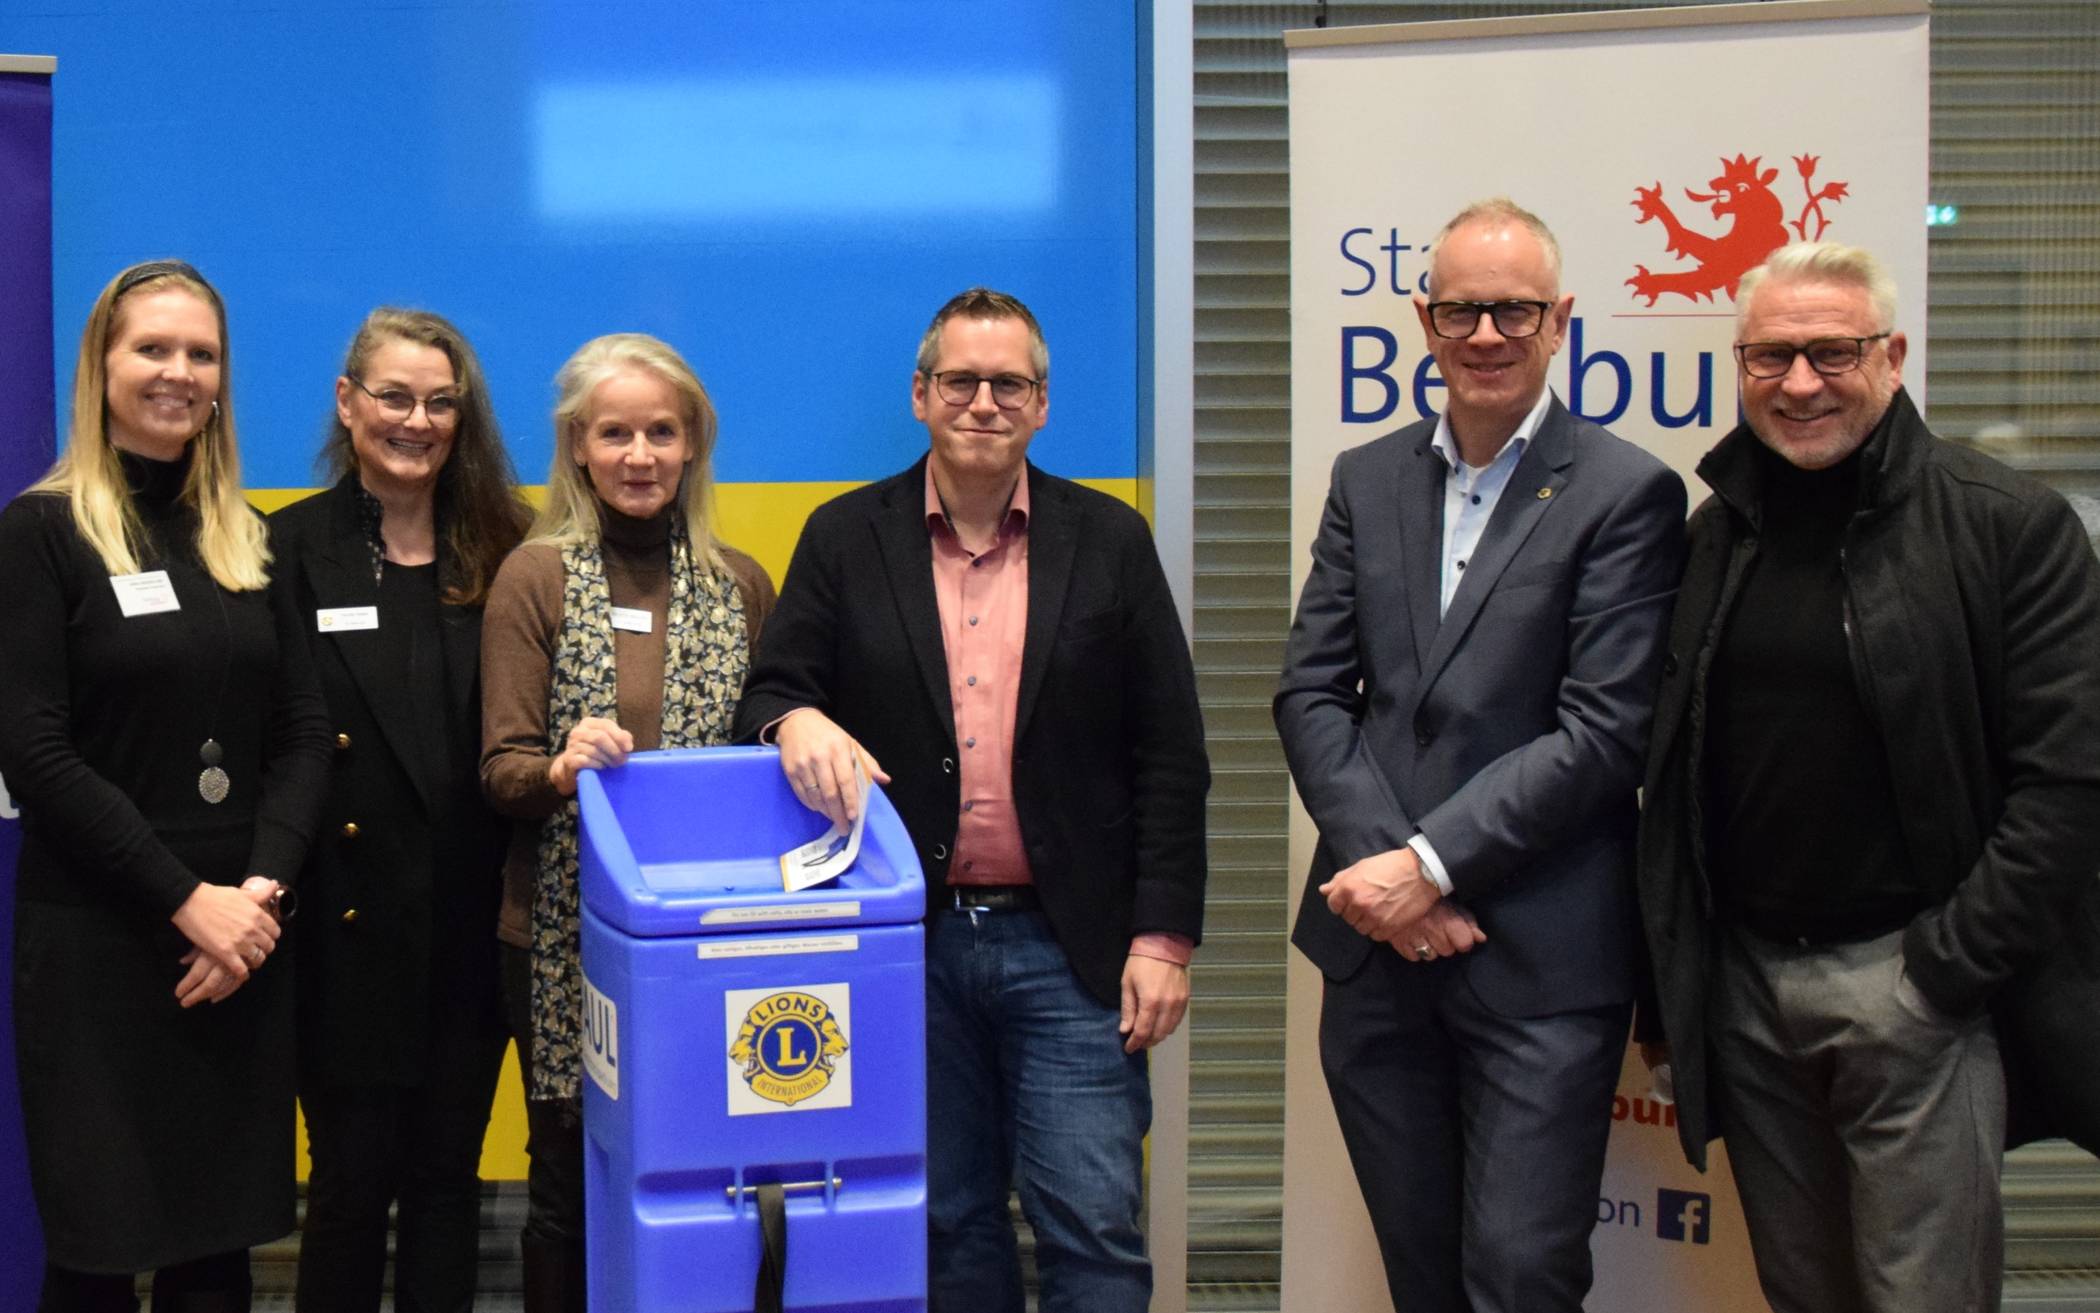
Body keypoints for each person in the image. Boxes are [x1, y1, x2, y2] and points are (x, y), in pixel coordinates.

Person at [1635, 240, 2100, 1313]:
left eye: (1831, 352)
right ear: (1740, 365)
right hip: (1746, 992)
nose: (1800, 384)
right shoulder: (1716, 532)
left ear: (1892, 355)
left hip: (1914, 989)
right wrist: (1679, 989)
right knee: (1805, 1292)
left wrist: (1941, 971)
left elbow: (2070, 783)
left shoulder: (2007, 527)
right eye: (1772, 357)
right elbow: (1672, 779)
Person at [733, 287, 1209, 1313]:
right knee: (944, 1221)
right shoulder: (845, 535)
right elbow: (769, 690)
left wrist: (1163, 938)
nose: (983, 401)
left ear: (1042, 404)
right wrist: (796, 721)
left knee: (1093, 1223)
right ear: (920, 395)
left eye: (1009, 384)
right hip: (907, 944)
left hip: (1074, 948)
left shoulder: (1111, 540)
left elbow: (1170, 752)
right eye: (961, 380)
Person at [1274, 200, 1686, 1313]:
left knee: (1519, 1270)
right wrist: (1393, 876)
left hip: (1541, 955)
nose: (1487, 333)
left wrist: (1434, 863)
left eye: (1513, 309)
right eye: (1462, 309)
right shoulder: (1368, 477)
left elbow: (1604, 730)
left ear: (1560, 320)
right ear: (1425, 318)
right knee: (1421, 1274)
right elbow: (1311, 689)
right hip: (1375, 949)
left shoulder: (1626, 491)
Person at [0, 259, 331, 1311]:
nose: (178, 372)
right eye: (152, 348)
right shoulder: (39, 534)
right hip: (103, 939)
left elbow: (305, 732)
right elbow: (36, 754)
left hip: (240, 946)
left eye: (201, 353)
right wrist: (190, 902)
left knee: (216, 1248)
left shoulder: (251, 535)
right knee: (97, 1252)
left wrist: (258, 898)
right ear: (101, 364)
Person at [480, 333, 775, 1311]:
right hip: (563, 937)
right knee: (569, 1178)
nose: (639, 453)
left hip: (711, 935)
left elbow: (773, 749)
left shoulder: (742, 584)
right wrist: (561, 766)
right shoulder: (536, 577)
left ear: (692, 445)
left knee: (703, 1161)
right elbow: (501, 770)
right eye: (616, 433)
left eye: (661, 431)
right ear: (578, 446)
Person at [270, 308, 530, 1311]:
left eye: (438, 402)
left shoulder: (510, 550)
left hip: (469, 933)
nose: (414, 421)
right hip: (343, 934)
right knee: (345, 1189)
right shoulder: (282, 549)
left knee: (446, 1186)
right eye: (393, 397)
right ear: (348, 402)